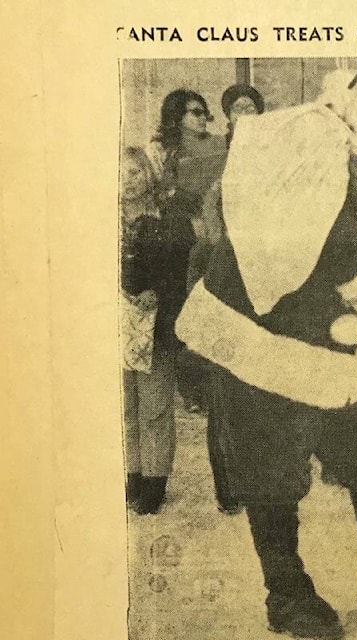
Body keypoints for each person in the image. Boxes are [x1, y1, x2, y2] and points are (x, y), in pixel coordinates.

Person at [175, 57, 357, 638]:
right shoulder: (297, 132)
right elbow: (302, 234)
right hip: (264, 334)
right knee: (272, 472)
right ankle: (288, 593)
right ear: (352, 91)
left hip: (344, 339)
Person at [197, 83, 267, 515]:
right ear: (228, 118)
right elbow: (206, 218)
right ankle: (228, 486)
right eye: (237, 108)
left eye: (252, 107)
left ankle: (259, 478)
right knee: (224, 389)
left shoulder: (274, 157)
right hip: (224, 281)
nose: (245, 113)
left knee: (260, 386)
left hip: (265, 284)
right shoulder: (216, 162)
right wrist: (226, 251)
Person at [121, 146, 193, 515]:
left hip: (155, 322)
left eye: (134, 172)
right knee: (125, 406)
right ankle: (131, 475)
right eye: (120, 174)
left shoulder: (168, 216)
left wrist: (158, 293)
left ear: (147, 173)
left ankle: (155, 481)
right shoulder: (107, 219)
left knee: (155, 407)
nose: (126, 181)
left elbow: (183, 270)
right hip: (118, 321)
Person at [147, 88, 227, 414]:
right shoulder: (162, 151)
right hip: (178, 236)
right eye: (194, 112)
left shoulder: (219, 145)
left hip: (213, 230)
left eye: (205, 112)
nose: (202, 119)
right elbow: (158, 193)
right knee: (184, 308)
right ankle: (191, 388)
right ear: (177, 117)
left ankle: (212, 386)